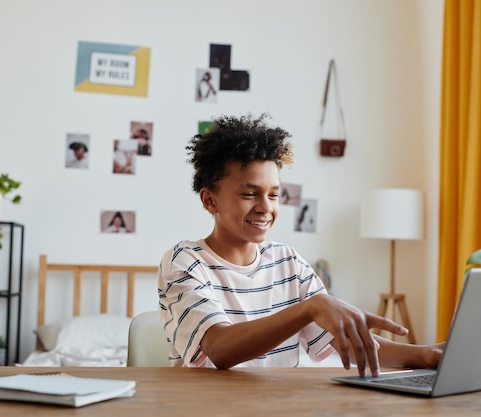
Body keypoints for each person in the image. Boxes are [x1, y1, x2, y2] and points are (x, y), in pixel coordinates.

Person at [158, 114, 444, 377]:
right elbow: (219, 349)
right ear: (210, 200)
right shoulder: (185, 262)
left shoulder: (287, 261)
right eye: (249, 193)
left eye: (274, 195)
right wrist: (309, 308)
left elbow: (341, 337)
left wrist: (427, 355)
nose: (265, 207)